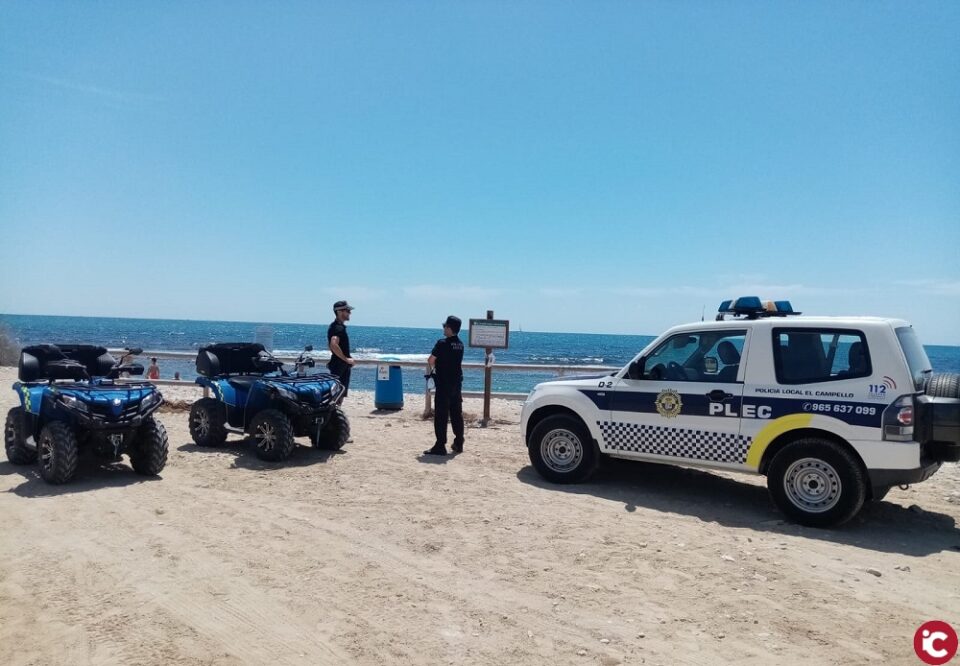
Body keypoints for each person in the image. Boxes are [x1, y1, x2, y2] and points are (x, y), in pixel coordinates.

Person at [423, 315, 464, 456]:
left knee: (441, 416)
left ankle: (440, 445)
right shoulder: (460, 345)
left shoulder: (442, 343)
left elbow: (431, 360)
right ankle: (459, 442)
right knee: (456, 414)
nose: (443, 328)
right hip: (456, 384)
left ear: (449, 328)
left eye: (445, 326)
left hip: (443, 384)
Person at [327, 300, 355, 397]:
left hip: (339, 364)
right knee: (337, 395)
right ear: (339, 312)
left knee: (339, 394)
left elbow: (330, 345)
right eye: (347, 310)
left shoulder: (336, 327)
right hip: (339, 365)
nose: (350, 313)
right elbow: (333, 344)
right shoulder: (338, 328)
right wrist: (346, 359)